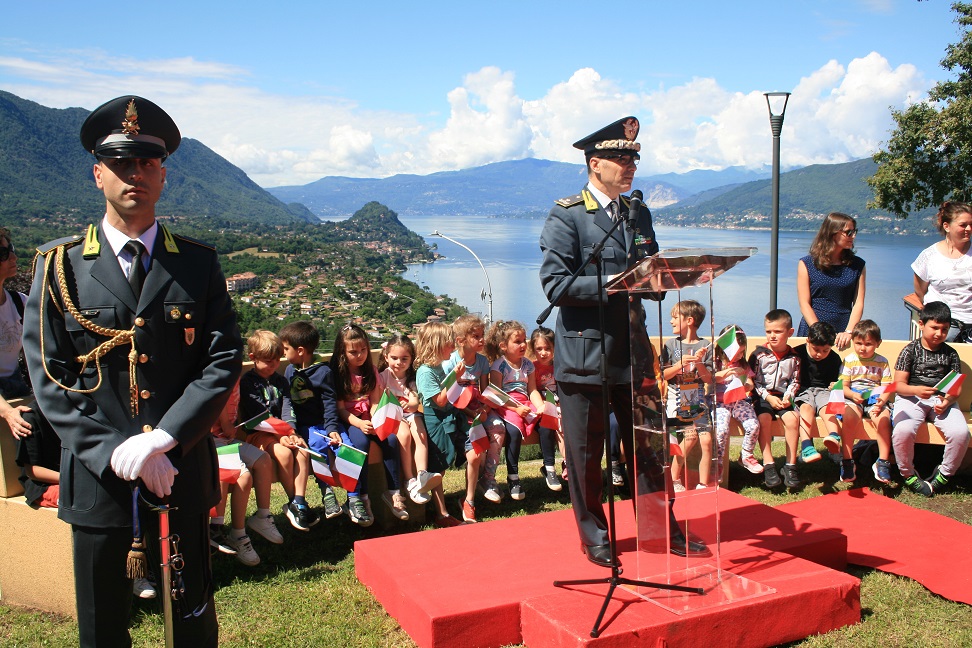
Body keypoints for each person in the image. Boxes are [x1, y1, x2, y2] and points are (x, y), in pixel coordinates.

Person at [23, 95, 242, 647]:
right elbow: (50, 375)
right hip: (99, 480)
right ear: (98, 174)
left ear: (163, 175)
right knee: (102, 625)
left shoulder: (197, 263)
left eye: (146, 164)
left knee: (192, 618)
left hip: (180, 466)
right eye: (121, 164)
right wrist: (113, 451)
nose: (134, 175)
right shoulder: (58, 267)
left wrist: (165, 440)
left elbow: (221, 359)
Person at [540, 116, 704, 567]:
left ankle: (659, 528)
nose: (630, 164)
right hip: (585, 355)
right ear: (595, 164)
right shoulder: (568, 215)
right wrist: (617, 282)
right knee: (587, 454)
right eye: (620, 157)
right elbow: (555, 286)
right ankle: (594, 535)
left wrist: (664, 278)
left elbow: (650, 275)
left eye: (634, 157)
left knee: (649, 447)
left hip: (633, 353)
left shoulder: (638, 212)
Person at [238, 329, 324, 528]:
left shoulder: (281, 381)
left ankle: (299, 502)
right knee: (285, 455)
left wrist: (291, 432)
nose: (274, 365)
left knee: (302, 452)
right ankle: (294, 501)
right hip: (259, 435)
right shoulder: (248, 383)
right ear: (253, 358)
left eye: (277, 360)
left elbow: (288, 409)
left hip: (284, 431)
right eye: (268, 361)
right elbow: (259, 415)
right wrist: (282, 434)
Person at [892, 301, 971, 496]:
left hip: (941, 402)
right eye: (934, 328)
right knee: (903, 429)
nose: (939, 334)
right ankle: (908, 473)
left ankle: (944, 473)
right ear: (921, 324)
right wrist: (916, 390)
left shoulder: (951, 354)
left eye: (944, 329)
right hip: (911, 398)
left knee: (961, 432)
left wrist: (948, 400)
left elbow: (955, 388)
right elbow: (898, 385)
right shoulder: (909, 351)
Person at [330, 324, 406, 523]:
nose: (360, 355)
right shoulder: (337, 374)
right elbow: (340, 410)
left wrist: (374, 420)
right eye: (353, 352)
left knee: (389, 439)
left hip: (367, 419)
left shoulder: (370, 370)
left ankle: (393, 492)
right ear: (342, 352)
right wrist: (359, 423)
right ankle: (362, 497)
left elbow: (374, 401)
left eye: (363, 350)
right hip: (348, 421)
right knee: (360, 445)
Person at [278, 321, 348, 522]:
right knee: (316, 447)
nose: (283, 354)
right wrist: (291, 428)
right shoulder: (290, 371)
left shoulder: (323, 372)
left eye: (286, 349)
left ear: (300, 351)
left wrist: (331, 427)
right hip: (302, 428)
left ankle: (353, 497)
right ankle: (326, 490)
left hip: (321, 425)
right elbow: (288, 402)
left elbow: (329, 403)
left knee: (336, 446)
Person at [208, 381, 283, 567]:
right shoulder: (219, 368)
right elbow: (215, 394)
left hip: (229, 439)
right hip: (212, 442)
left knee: (263, 460)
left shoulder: (235, 373)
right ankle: (228, 532)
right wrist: (225, 422)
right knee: (243, 476)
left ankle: (262, 517)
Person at [440, 314, 497, 513]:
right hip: (455, 414)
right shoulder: (450, 362)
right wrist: (470, 411)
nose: (482, 340)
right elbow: (449, 396)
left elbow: (483, 391)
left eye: (482, 335)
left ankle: (470, 499)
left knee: (477, 453)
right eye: (476, 336)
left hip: (474, 414)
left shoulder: (481, 362)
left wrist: (484, 408)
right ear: (461, 340)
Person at [377, 333, 442, 505]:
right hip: (392, 415)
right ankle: (409, 479)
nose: (399, 362)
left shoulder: (410, 378)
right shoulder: (383, 376)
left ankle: (422, 473)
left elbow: (414, 399)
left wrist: (412, 405)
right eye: (395, 358)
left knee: (420, 432)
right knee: (404, 436)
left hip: (409, 413)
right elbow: (380, 400)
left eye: (404, 358)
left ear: (411, 358)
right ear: (386, 357)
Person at [485, 320, 545, 502]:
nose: (523, 345)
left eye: (524, 340)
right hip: (507, 406)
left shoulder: (527, 365)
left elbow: (532, 390)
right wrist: (516, 408)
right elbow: (496, 395)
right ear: (503, 346)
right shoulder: (499, 366)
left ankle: (549, 466)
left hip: (525, 403)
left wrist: (540, 406)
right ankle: (513, 476)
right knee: (513, 431)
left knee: (547, 423)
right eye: (517, 342)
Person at [414, 321, 464, 528]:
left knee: (442, 465)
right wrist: (455, 378)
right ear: (436, 345)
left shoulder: (436, 367)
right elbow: (440, 400)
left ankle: (442, 511)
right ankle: (441, 513)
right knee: (437, 468)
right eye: (448, 343)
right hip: (434, 420)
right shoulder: (426, 372)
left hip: (445, 418)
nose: (452, 346)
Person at [660, 300, 714, 490]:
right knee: (689, 437)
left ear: (689, 320)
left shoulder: (706, 345)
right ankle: (674, 480)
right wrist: (679, 365)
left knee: (707, 441)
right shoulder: (670, 345)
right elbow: (664, 375)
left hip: (698, 396)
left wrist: (699, 362)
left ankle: (703, 484)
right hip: (677, 395)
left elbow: (708, 379)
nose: (671, 321)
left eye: (675, 317)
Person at [796, 212, 866, 350]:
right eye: (849, 232)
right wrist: (819, 331)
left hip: (843, 332)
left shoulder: (858, 265)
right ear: (832, 233)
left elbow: (858, 303)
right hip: (813, 328)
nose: (853, 236)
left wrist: (849, 331)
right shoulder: (807, 263)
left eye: (854, 231)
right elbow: (804, 303)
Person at [749, 309, 802, 490]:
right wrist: (768, 397)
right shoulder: (758, 355)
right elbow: (754, 381)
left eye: (778, 332)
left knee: (793, 419)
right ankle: (769, 463)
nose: (772, 336)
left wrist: (789, 397)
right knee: (764, 418)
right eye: (768, 331)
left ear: (790, 333)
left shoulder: (794, 357)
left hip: (783, 397)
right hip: (763, 397)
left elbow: (795, 381)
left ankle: (791, 465)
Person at [837, 320, 895, 484]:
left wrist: (880, 402)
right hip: (854, 396)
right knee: (849, 419)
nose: (863, 348)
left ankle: (883, 462)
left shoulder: (882, 362)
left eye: (868, 344)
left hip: (875, 397)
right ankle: (847, 461)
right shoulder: (849, 360)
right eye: (858, 343)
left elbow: (886, 387)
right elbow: (843, 386)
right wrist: (852, 395)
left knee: (883, 420)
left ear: (878, 343)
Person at [911, 201, 972, 342]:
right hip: (941, 327)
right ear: (947, 226)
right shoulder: (929, 256)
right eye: (963, 225)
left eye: (971, 224)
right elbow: (920, 292)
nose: (968, 229)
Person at [0, 226, 35, 441]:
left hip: (15, 391)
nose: (13, 256)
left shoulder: (19, 302)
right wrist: (7, 412)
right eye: (3, 253)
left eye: (10, 249)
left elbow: (37, 356)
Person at [712, 324, 760, 478]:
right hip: (720, 402)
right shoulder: (715, 362)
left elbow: (750, 384)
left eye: (742, 352)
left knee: (753, 425)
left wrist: (745, 383)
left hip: (739, 401)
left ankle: (746, 455)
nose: (739, 356)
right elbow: (709, 378)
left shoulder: (743, 364)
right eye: (737, 352)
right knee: (721, 430)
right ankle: (717, 463)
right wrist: (727, 372)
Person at [792, 322, 842, 466]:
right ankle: (807, 446)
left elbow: (835, 381)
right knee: (806, 408)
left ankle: (834, 437)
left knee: (827, 407)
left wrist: (835, 385)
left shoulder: (834, 359)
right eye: (816, 349)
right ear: (808, 340)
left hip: (823, 391)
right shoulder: (797, 354)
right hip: (803, 390)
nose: (820, 354)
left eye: (825, 350)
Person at [528, 326, 565, 491]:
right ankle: (549, 467)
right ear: (533, 349)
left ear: (554, 348)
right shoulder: (532, 368)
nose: (543, 353)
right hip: (541, 408)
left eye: (548, 348)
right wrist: (541, 406)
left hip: (559, 406)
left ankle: (568, 463)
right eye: (539, 349)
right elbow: (532, 390)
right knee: (547, 426)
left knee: (565, 425)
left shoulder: (560, 365)